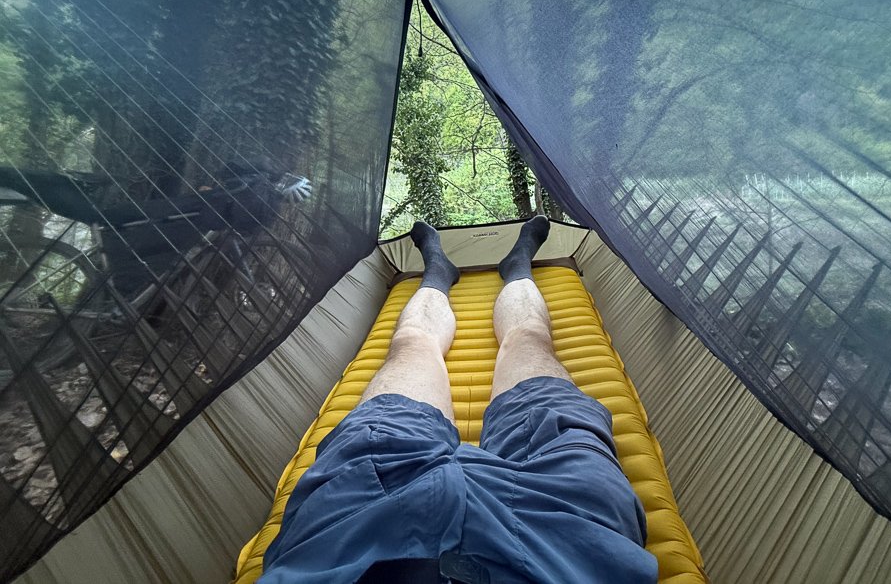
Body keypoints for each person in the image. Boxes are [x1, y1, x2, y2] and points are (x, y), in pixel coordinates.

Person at [260, 217, 658, 583]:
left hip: (351, 528)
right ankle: (496, 268)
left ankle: (453, 271)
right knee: (529, 338)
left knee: (413, 344)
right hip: (569, 537)